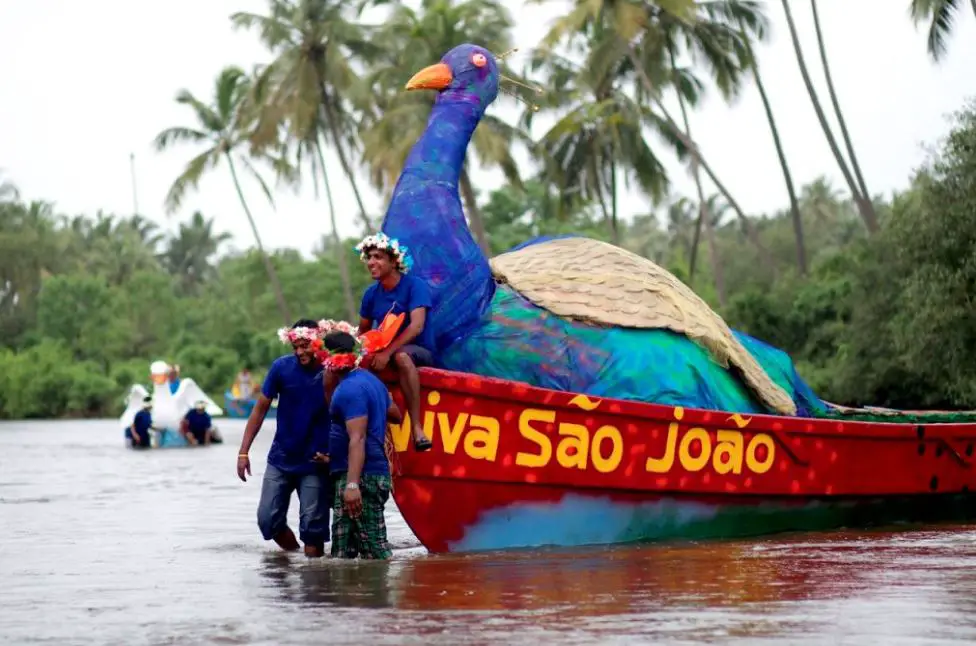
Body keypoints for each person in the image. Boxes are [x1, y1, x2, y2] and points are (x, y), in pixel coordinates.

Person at [236, 319, 332, 558]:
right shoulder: (281, 368)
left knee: (313, 529)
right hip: (281, 458)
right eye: (295, 347)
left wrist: (335, 454)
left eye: (305, 346)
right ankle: (294, 559)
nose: (300, 352)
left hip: (315, 461)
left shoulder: (332, 370)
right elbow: (259, 410)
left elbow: (345, 415)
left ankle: (315, 583)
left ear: (318, 342)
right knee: (267, 520)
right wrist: (243, 451)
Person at [321, 330, 402, 560]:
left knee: (375, 551)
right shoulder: (371, 382)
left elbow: (357, 438)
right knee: (342, 554)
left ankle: (383, 593)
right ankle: (356, 595)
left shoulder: (349, 390)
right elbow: (395, 414)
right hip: (364, 472)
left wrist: (353, 485)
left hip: (360, 477)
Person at [354, 232, 433, 452]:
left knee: (401, 357)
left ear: (393, 261)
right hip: (384, 352)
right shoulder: (370, 294)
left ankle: (417, 427)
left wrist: (387, 353)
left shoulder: (415, 286)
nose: (371, 262)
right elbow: (363, 332)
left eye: (378, 257)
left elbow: (416, 327)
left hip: (418, 351)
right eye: (368, 257)